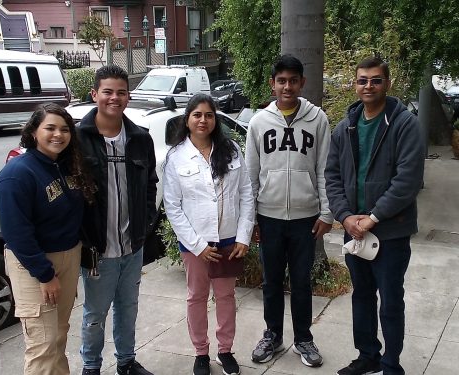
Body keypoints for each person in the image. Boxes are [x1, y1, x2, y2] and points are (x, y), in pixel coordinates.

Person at [325, 57, 425, 375]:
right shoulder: (345, 127)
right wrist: (346, 216)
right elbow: (333, 177)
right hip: (354, 230)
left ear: (387, 83)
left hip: (390, 231)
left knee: (391, 299)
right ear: (355, 85)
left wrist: (373, 217)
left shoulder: (405, 124)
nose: (368, 86)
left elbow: (407, 180)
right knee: (362, 295)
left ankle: (391, 364)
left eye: (375, 80)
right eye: (363, 80)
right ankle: (367, 354)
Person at [245, 54, 333, 367]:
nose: (287, 86)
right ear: (272, 84)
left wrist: (326, 212)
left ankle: (303, 339)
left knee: (301, 280)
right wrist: (250, 219)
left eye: (293, 81)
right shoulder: (258, 123)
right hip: (268, 217)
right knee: (270, 281)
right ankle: (272, 334)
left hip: (305, 217)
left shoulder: (317, 119)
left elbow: (325, 168)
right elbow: (250, 176)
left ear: (301, 83)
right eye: (281, 80)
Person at [0, 103, 95, 375]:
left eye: (65, 129)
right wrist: (44, 274)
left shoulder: (64, 166)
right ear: (34, 131)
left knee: (58, 335)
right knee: (43, 343)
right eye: (50, 128)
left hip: (68, 256)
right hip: (35, 265)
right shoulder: (17, 173)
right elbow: (17, 233)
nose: (58, 135)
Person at [163, 93, 254, 375]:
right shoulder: (176, 156)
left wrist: (243, 236)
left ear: (215, 120)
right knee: (196, 297)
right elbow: (173, 206)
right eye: (197, 115)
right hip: (195, 244)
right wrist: (198, 245)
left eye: (209, 115)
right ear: (187, 120)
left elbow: (247, 194)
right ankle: (201, 353)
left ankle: (225, 350)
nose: (203, 120)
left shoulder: (232, 151)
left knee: (226, 297)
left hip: (228, 240)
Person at [77, 64, 158, 375]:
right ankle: (91, 367)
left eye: (121, 92)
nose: (115, 98)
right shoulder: (78, 138)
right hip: (98, 250)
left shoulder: (140, 138)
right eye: (108, 92)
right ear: (95, 94)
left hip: (132, 246)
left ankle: (126, 362)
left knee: (128, 308)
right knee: (95, 313)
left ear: (129, 96)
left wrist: (146, 223)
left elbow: (150, 184)